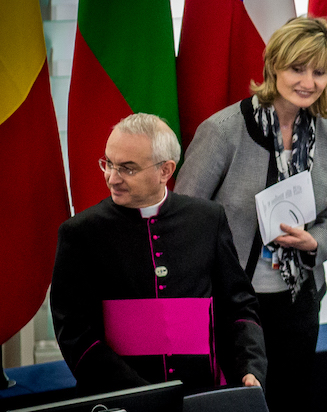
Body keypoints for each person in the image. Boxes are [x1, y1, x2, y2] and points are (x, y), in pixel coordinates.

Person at [176, 16, 327, 412]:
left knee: (291, 401)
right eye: (297, 68)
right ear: (273, 66)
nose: (308, 82)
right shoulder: (223, 130)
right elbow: (184, 221)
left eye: (319, 72)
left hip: (299, 298)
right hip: (234, 306)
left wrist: (314, 242)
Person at [52, 113, 265, 392]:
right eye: (109, 163)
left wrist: (249, 366)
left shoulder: (207, 219)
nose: (112, 178)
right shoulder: (80, 234)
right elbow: (75, 333)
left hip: (201, 391)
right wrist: (143, 395)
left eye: (127, 169)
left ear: (165, 170)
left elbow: (237, 304)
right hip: (120, 396)